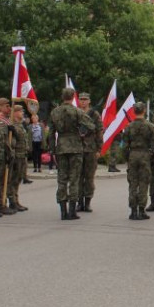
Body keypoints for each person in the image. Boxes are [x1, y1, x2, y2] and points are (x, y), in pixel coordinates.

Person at [46, 87, 90, 221]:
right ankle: (72, 211)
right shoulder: (77, 111)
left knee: (62, 179)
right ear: (73, 97)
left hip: (61, 146)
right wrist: (82, 132)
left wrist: (52, 149)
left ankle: (63, 211)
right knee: (74, 179)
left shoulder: (55, 112)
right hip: (75, 146)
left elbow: (51, 133)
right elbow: (90, 125)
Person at [124, 102, 154, 220]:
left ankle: (133, 211)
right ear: (144, 111)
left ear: (134, 111)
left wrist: (127, 157)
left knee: (133, 183)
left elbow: (124, 145)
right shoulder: (150, 126)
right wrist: (152, 156)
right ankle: (142, 210)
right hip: (144, 155)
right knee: (144, 183)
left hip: (133, 155)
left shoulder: (129, 126)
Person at [77, 92, 104, 213]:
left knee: (89, 177)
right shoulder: (75, 113)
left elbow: (99, 131)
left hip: (91, 149)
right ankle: (79, 202)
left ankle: (87, 202)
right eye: (81, 99)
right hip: (77, 148)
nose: (83, 101)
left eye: (85, 99)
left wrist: (99, 149)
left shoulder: (95, 114)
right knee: (77, 177)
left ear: (89, 101)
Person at [4, 106, 28, 210]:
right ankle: (12, 201)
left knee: (18, 179)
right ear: (14, 113)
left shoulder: (20, 125)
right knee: (12, 179)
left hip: (22, 155)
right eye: (20, 111)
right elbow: (11, 141)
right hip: (16, 155)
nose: (22, 113)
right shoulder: (10, 125)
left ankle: (16, 200)